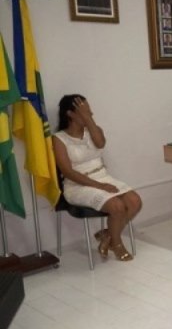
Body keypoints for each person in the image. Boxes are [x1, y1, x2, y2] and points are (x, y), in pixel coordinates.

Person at [52, 95, 142, 262]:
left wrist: (88, 118)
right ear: (70, 114)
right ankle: (117, 244)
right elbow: (68, 172)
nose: (90, 113)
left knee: (135, 202)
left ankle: (108, 235)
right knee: (117, 206)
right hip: (77, 185)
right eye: (85, 111)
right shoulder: (59, 139)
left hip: (102, 176)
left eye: (90, 110)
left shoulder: (93, 130)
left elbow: (100, 143)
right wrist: (100, 186)